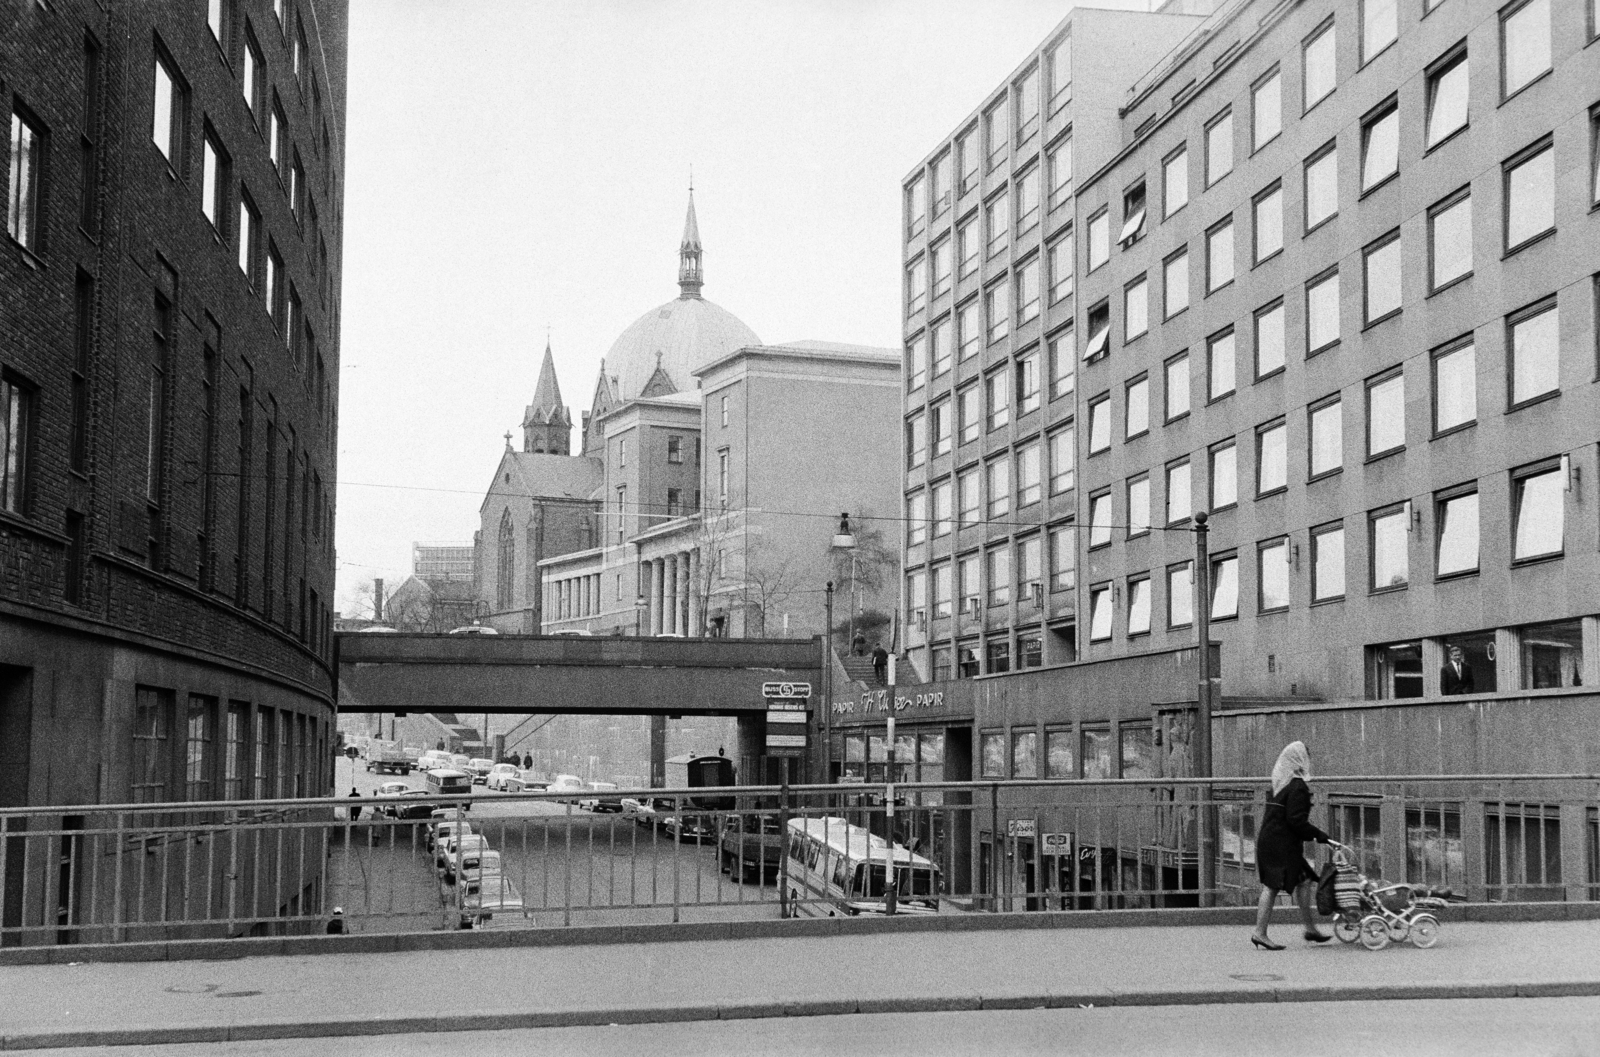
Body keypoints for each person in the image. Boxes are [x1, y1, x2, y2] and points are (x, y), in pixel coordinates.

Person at [1251, 741, 1335, 950]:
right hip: (1280, 844)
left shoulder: (1283, 784)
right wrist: (1318, 835)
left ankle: (1310, 929)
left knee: (1304, 880)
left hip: (1274, 840)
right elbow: (1296, 821)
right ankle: (1260, 933)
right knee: (1271, 886)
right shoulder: (1298, 787)